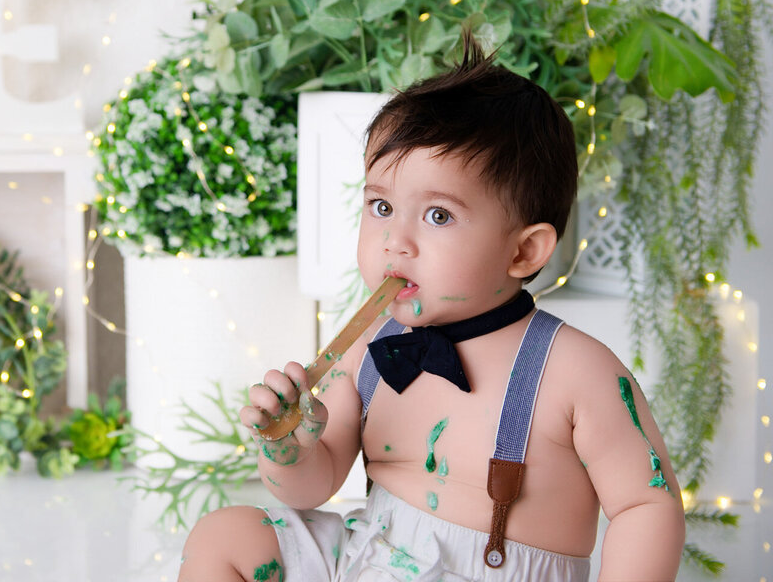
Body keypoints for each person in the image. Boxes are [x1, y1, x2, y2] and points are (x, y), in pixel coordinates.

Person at [178, 31, 686, 581]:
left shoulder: (575, 369)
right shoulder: (370, 349)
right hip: (369, 556)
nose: (395, 240)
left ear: (523, 250)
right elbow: (314, 487)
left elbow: (646, 505)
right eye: (381, 205)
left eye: (438, 215)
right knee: (225, 535)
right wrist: (288, 450)